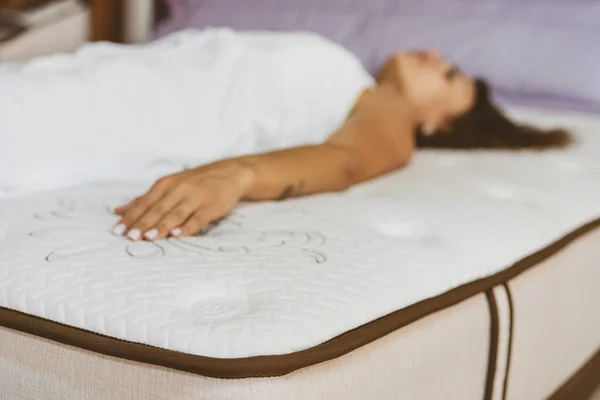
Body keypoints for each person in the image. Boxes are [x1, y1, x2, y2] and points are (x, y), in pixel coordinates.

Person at [109, 32, 570, 242]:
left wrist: (234, 176)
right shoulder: (357, 81)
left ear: (436, 125)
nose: (434, 54)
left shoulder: (391, 108)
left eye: (448, 75)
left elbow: (348, 159)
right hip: (101, 75)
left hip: (111, 110)